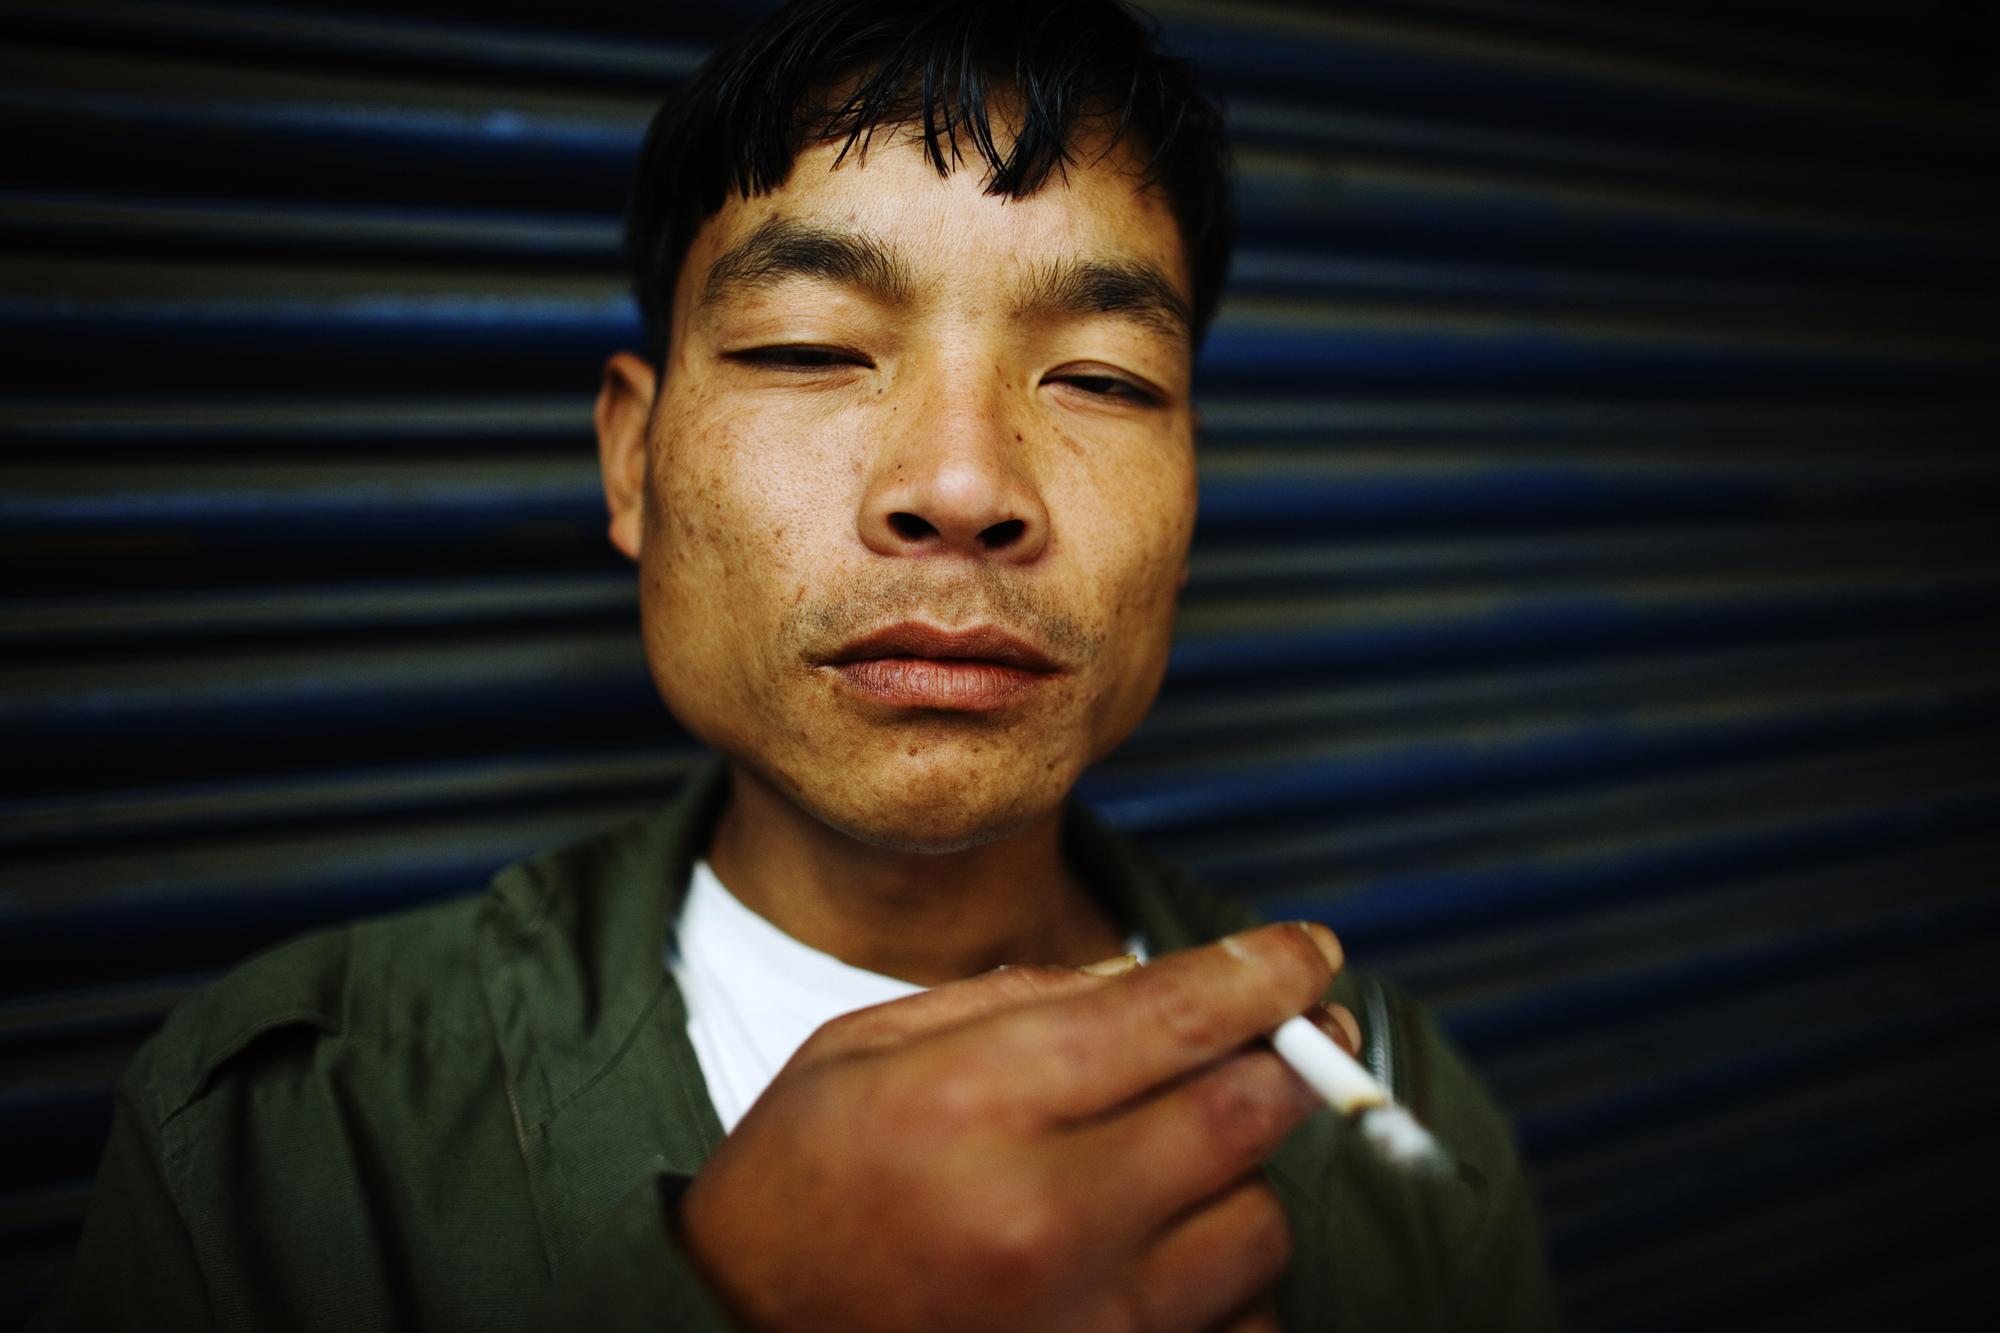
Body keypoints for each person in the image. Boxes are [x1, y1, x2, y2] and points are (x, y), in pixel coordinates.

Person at [36, 1, 1556, 1329]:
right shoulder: (283, 1141)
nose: (962, 484)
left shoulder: (1398, 1125)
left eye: (1101, 377)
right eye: (810, 348)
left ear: (1190, 493)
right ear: (634, 462)